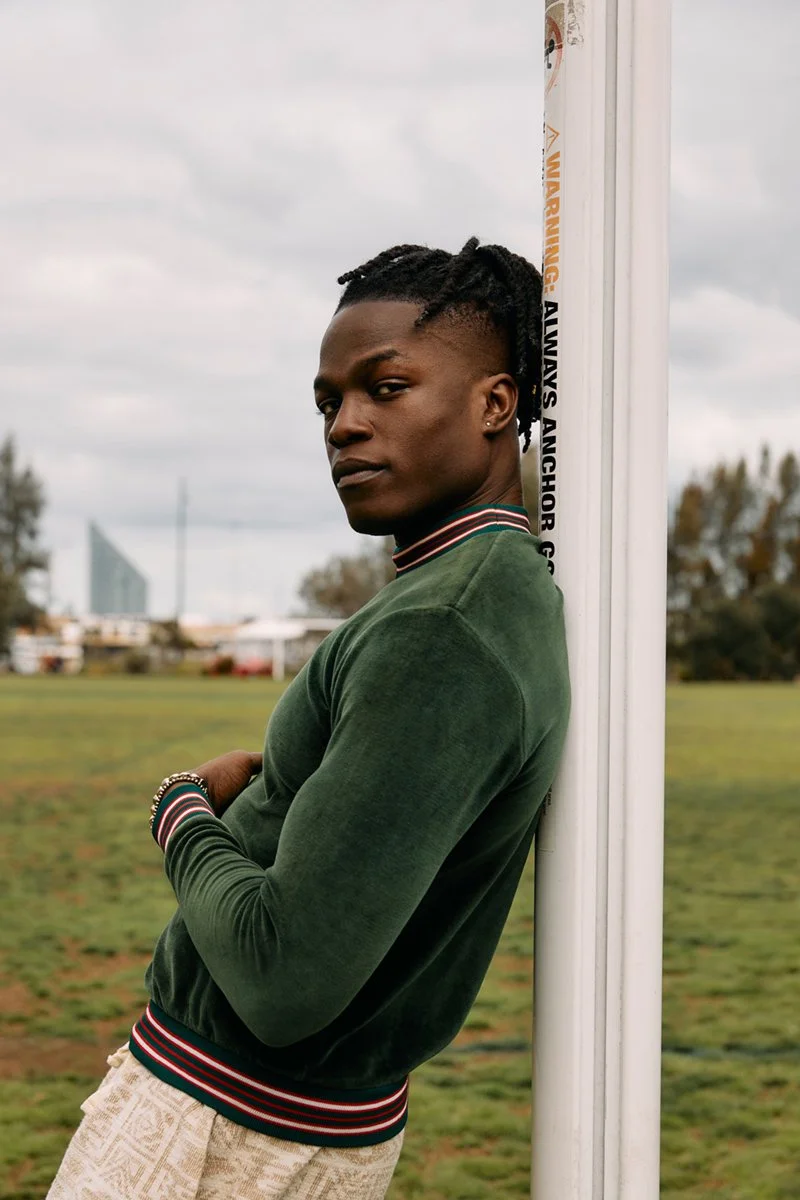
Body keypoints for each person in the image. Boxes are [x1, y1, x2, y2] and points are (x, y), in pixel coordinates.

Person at [48, 238, 570, 1199]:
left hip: (233, 1137)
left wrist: (183, 815)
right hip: (244, 1116)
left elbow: (283, 976)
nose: (344, 425)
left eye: (387, 387)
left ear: (497, 404)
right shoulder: (460, 589)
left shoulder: (446, 629)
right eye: (330, 402)